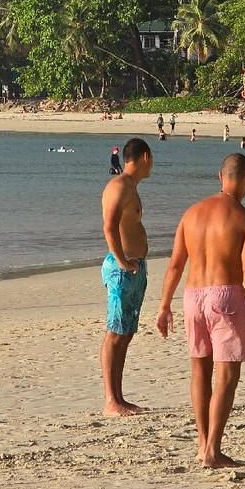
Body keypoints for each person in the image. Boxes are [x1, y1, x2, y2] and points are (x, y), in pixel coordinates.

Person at [155, 153, 245, 468]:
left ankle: (202, 444)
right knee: (227, 377)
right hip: (226, 297)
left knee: (200, 372)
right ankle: (212, 451)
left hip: (192, 297)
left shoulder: (191, 214)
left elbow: (175, 265)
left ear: (220, 176)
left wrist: (164, 306)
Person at [100, 137, 154, 416]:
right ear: (145, 157)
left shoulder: (132, 187)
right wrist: (122, 262)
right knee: (114, 333)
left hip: (134, 267)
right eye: (152, 158)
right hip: (122, 269)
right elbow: (109, 227)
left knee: (126, 333)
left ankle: (119, 398)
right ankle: (111, 401)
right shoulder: (118, 186)